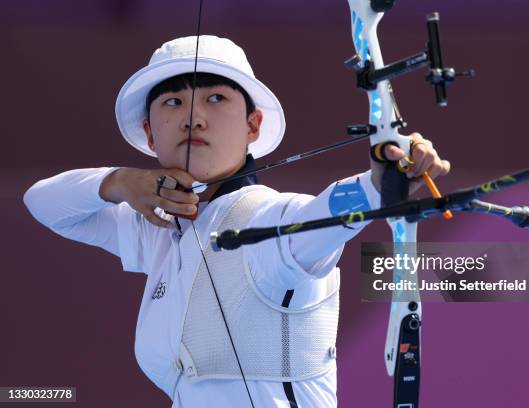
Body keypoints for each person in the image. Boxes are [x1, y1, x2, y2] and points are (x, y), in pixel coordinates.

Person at [23, 35, 450, 407]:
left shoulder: (269, 218)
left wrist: (386, 176)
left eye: (215, 98)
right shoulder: (156, 225)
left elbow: (329, 212)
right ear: (150, 134)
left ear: (253, 125)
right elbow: (42, 202)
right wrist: (119, 182)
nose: (194, 117)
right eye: (173, 102)